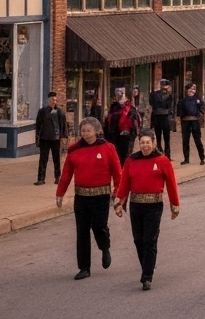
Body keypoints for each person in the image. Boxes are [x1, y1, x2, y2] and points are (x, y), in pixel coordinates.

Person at [56, 117, 121, 280]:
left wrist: (118, 194)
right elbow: (66, 175)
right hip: (81, 197)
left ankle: (104, 247)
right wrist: (60, 194)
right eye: (83, 130)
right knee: (82, 232)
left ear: (97, 131)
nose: (85, 133)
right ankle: (84, 267)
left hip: (101, 196)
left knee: (99, 227)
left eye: (89, 130)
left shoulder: (108, 148)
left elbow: (117, 173)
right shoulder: (74, 150)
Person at [113, 133, 180, 290]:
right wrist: (119, 201)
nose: (145, 145)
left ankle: (147, 276)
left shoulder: (163, 161)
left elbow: (171, 183)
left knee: (149, 239)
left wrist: (174, 204)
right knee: (138, 240)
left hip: (154, 206)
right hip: (136, 205)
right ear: (139, 143)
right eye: (142, 142)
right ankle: (148, 265)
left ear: (154, 143)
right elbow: (124, 183)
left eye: (148, 142)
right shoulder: (131, 160)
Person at [34, 92, 68, 185]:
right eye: (52, 100)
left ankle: (57, 177)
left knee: (56, 159)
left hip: (56, 139)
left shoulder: (60, 112)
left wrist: (64, 137)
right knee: (43, 159)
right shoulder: (42, 112)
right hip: (44, 139)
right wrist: (37, 139)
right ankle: (41, 178)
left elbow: (64, 125)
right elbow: (38, 126)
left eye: (55, 100)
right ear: (48, 101)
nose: (54, 102)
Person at [178, 83, 205, 165]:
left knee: (198, 141)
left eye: (193, 89)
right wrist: (180, 122)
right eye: (190, 89)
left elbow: (202, 107)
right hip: (185, 122)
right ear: (186, 90)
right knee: (185, 141)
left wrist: (200, 113)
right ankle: (186, 159)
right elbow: (179, 113)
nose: (191, 91)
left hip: (195, 122)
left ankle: (202, 158)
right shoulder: (182, 101)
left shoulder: (198, 100)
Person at [149, 78, 176, 161]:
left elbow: (172, 108)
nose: (165, 87)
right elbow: (152, 104)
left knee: (167, 138)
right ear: (161, 86)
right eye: (163, 85)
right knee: (158, 137)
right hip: (157, 118)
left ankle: (168, 156)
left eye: (167, 86)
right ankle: (159, 153)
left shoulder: (171, 96)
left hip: (166, 119)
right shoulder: (154, 94)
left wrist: (172, 118)